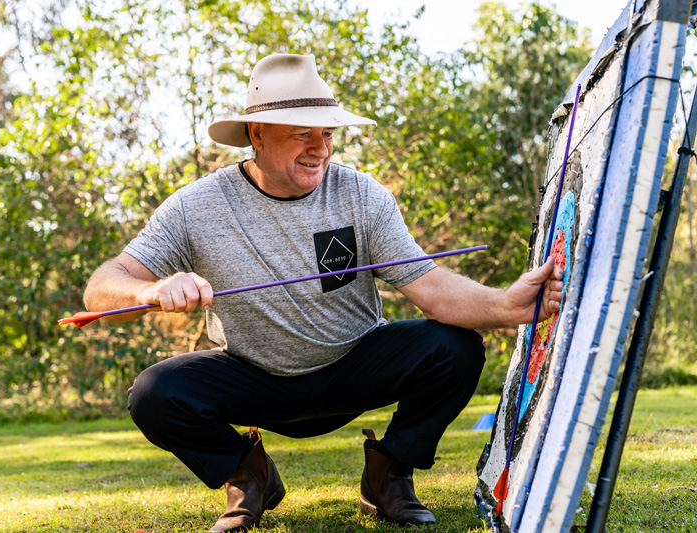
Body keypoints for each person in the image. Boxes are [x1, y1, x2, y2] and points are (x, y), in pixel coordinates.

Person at [82, 53, 564, 531]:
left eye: (327, 133)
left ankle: (389, 475)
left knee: (456, 348)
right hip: (254, 377)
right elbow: (102, 288)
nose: (320, 148)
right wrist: (153, 289)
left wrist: (505, 304)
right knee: (154, 393)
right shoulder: (194, 207)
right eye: (301, 134)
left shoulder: (362, 194)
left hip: (354, 364)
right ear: (257, 135)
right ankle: (250, 476)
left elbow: (434, 288)